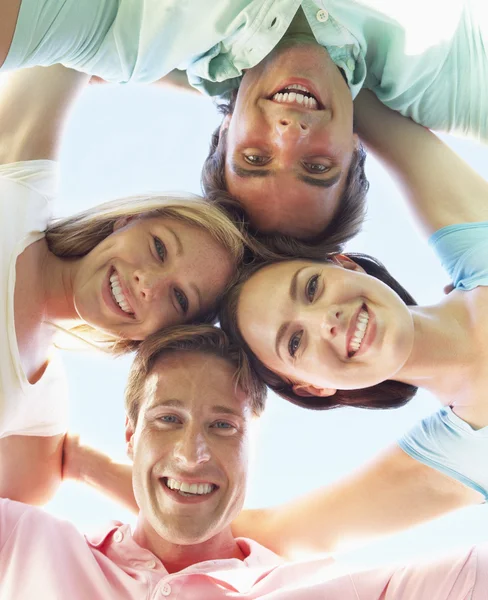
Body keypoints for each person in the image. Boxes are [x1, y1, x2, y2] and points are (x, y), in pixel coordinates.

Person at [3, 325, 488, 599]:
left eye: (223, 426)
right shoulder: (28, 542)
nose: (192, 455)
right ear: (130, 437)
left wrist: (441, 337)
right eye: (168, 418)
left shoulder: (322, 590)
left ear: (252, 444)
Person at [216, 90, 488, 552]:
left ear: (345, 264)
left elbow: (357, 102)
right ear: (313, 386)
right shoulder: (462, 458)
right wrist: (79, 461)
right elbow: (263, 531)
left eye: (312, 288)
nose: (328, 322)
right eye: (295, 343)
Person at [1, 0, 487, 254]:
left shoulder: (136, 33)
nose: (289, 134)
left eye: (255, 159)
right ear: (356, 147)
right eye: (317, 166)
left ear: (224, 131)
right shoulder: (450, 78)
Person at [0, 64, 249, 507]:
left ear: (160, 336)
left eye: (177, 298)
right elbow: (69, 38)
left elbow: (199, 524)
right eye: (157, 248)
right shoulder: (21, 188)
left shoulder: (41, 408)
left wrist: (86, 464)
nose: (146, 283)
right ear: (128, 220)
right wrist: (233, 86)